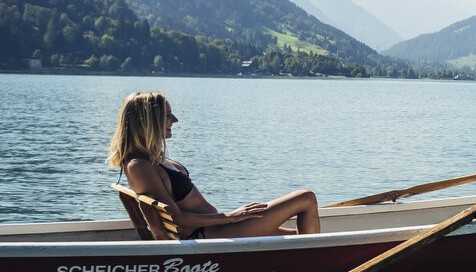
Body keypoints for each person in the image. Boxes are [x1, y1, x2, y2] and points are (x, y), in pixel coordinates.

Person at [107, 91, 321, 238]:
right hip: (210, 234)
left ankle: (313, 257)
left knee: (301, 236)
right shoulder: (139, 165)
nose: (175, 120)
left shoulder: (151, 160)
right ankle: (315, 268)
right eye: (167, 115)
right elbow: (177, 218)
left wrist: (230, 219)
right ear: (148, 121)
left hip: (218, 227)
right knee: (305, 198)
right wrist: (229, 217)